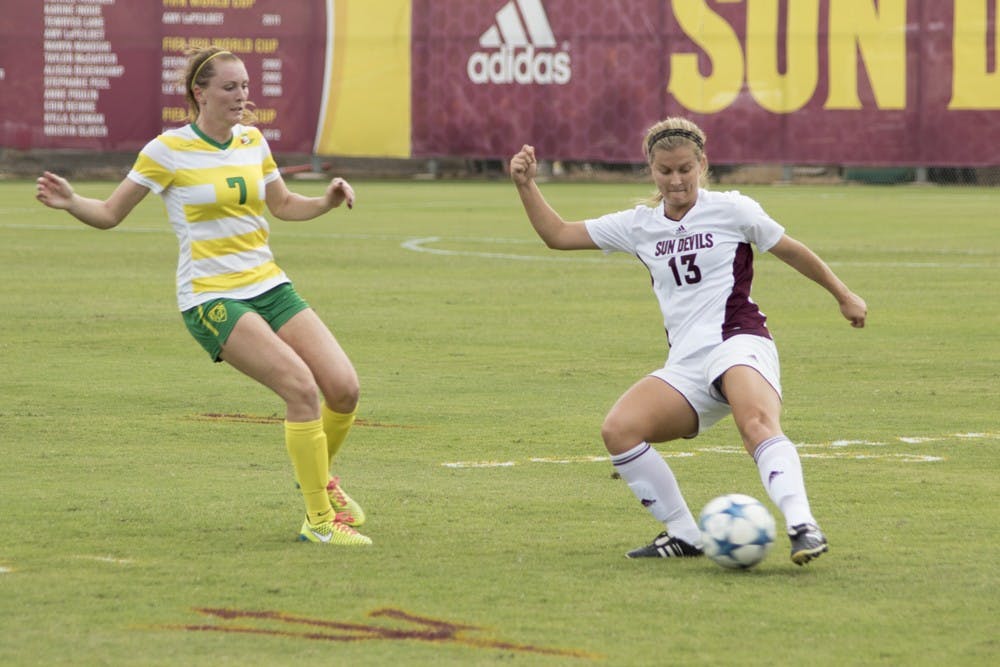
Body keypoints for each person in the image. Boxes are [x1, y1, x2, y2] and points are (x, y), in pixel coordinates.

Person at [36, 47, 371, 547]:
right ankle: (319, 521)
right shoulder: (166, 150)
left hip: (269, 284)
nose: (242, 97)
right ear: (200, 93)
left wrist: (325, 200)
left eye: (245, 86)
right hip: (212, 297)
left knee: (344, 388)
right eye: (230, 87)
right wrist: (71, 202)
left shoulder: (253, 140)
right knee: (301, 390)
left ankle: (319, 480)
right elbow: (109, 213)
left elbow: (281, 205)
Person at [509, 117, 867, 565]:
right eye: (665, 171)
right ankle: (684, 533)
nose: (676, 180)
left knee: (755, 424)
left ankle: (802, 525)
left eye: (684, 169)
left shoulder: (733, 210)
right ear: (651, 171)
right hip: (687, 365)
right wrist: (526, 185)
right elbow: (558, 235)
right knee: (619, 431)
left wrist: (843, 294)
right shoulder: (639, 225)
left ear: (703, 164)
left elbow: (791, 249)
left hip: (739, 341)